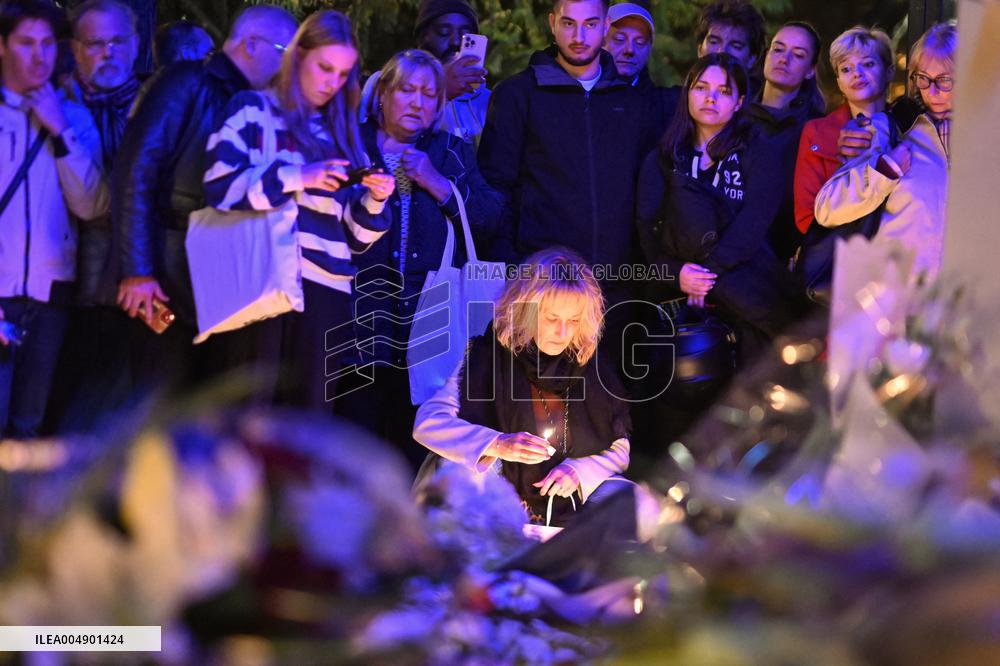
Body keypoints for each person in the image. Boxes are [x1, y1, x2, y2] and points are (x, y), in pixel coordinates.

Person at [203, 10, 396, 410]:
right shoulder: (252, 109)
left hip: (324, 292)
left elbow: (354, 241)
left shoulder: (342, 133)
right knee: (248, 412)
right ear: (299, 55)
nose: (332, 82)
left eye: (342, 74)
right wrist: (298, 176)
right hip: (259, 278)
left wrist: (375, 199)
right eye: (325, 68)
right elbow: (220, 188)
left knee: (305, 421)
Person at [113, 4, 297, 390]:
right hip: (167, 269)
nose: (290, 64)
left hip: (218, 278)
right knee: (155, 394)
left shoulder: (263, 107)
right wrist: (138, 270)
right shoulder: (187, 83)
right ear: (250, 44)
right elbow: (136, 171)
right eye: (286, 50)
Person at [337, 49, 503, 466]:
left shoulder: (449, 151)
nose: (417, 102)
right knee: (353, 449)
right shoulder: (351, 146)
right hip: (358, 322)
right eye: (406, 90)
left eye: (429, 94)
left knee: (415, 449)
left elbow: (489, 218)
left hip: (429, 325)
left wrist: (438, 183)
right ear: (382, 95)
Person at [413, 248, 635, 527]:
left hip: (569, 502)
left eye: (573, 321)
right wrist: (498, 444)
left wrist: (580, 471)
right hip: (494, 499)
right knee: (457, 476)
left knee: (634, 502)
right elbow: (428, 424)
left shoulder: (590, 366)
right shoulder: (486, 358)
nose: (563, 333)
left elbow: (619, 449)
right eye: (552, 319)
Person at [478, 0, 652, 308]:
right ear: (552, 23)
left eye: (590, 24)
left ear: (605, 26)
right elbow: (495, 189)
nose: (579, 37)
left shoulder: (632, 102)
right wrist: (511, 268)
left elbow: (647, 192)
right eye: (569, 23)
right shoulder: (517, 94)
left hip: (620, 288)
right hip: (542, 284)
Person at [636, 53, 802, 361]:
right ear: (688, 93)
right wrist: (677, 273)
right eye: (701, 88)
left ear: (739, 102)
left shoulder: (760, 152)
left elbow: (754, 222)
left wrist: (705, 276)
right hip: (678, 294)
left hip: (745, 283)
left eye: (723, 91)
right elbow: (648, 231)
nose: (710, 98)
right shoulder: (663, 158)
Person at [0, 0, 108, 437]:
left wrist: (60, 130)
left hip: (50, 297)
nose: (39, 56)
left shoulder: (74, 118)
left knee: (29, 428)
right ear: (2, 46)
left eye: (47, 44)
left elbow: (92, 205)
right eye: (26, 43)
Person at [813, 22, 956, 281]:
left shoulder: (986, 138)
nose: (931, 91)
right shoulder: (892, 127)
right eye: (923, 79)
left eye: (944, 80)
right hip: (900, 292)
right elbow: (827, 208)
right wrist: (884, 169)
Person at [793, 27, 895, 238]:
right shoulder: (817, 131)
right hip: (842, 248)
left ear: (889, 72)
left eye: (868, 64)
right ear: (839, 82)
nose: (857, 73)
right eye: (846, 69)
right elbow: (806, 216)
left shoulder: (909, 126)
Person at [360, 0, 489, 145]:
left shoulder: (487, 101)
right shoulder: (387, 81)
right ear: (421, 39)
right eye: (444, 32)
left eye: (466, 36)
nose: (455, 42)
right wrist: (442, 89)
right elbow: (368, 140)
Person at [750, 21, 825, 263]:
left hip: (782, 259)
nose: (784, 59)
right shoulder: (734, 115)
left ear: (810, 70)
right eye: (778, 49)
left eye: (798, 54)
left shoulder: (817, 131)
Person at [604, 2, 679, 142]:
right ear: (600, 42)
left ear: (650, 49)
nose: (629, 50)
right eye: (620, 39)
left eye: (639, 43)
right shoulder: (577, 98)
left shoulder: (666, 109)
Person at [695, 0, 766, 91]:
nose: (722, 51)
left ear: (752, 59)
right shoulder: (677, 97)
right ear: (700, 49)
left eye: (736, 46)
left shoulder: (760, 99)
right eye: (714, 42)